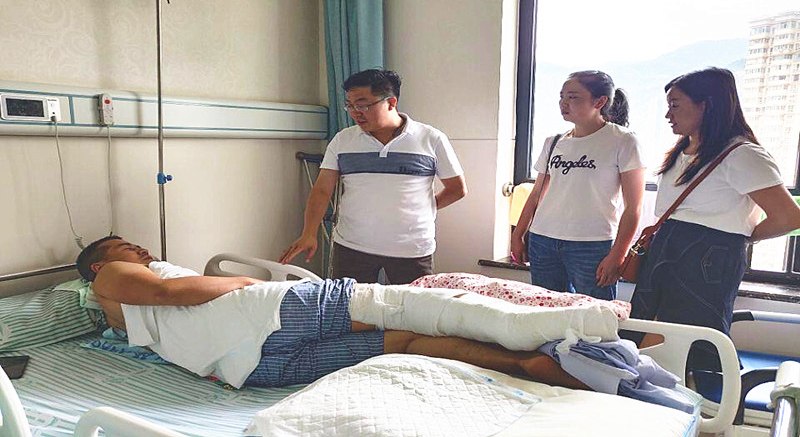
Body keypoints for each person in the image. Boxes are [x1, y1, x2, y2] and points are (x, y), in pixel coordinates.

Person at [77, 236, 589, 390]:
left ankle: (522, 362)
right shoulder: (108, 277)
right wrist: (246, 282)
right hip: (266, 314)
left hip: (249, 368)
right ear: (99, 263)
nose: (138, 248)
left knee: (407, 342)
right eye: (124, 245)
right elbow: (171, 294)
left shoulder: (124, 319)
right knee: (408, 307)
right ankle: (561, 327)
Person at [627, 67, 800, 371]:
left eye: (675, 105)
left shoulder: (742, 154)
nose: (668, 115)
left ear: (706, 105)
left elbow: (788, 217)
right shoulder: (686, 148)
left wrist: (740, 236)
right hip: (670, 245)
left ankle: (704, 393)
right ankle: (655, 387)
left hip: (708, 255)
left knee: (689, 336)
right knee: (648, 324)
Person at [279, 69, 467, 284]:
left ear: (391, 102)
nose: (355, 113)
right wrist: (309, 232)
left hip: (411, 248)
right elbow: (322, 190)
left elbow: (457, 189)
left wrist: (422, 208)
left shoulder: (430, 139)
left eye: (363, 105)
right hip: (352, 246)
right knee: (350, 303)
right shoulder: (343, 140)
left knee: (411, 305)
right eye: (350, 105)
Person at [510, 71, 646, 300]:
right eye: (562, 96)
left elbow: (634, 207)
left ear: (599, 102)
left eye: (573, 97)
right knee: (547, 310)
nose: (564, 103)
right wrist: (519, 234)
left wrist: (618, 254)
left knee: (594, 313)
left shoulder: (623, 141)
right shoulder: (554, 142)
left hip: (592, 244)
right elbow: (536, 195)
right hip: (543, 240)